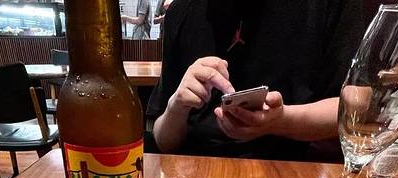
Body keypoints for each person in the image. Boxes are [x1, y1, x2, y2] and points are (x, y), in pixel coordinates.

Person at [148, 0, 364, 160]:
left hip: (288, 170)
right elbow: (163, 141)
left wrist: (281, 121)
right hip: (192, 173)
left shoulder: (323, 7)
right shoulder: (181, 11)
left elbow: (358, 104)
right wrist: (176, 107)